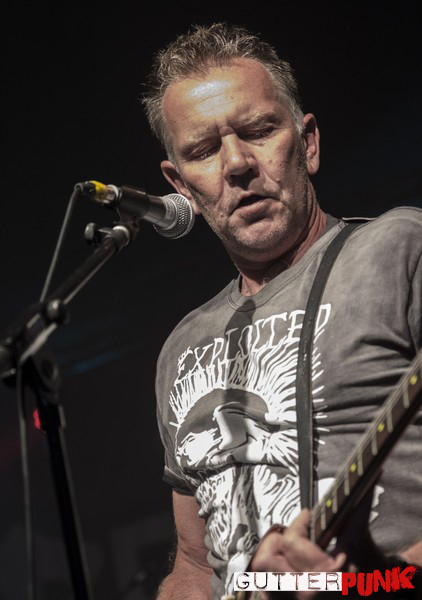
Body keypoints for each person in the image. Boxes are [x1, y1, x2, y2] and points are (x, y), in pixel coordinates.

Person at [142, 23, 422, 599]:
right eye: (203, 150)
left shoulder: (398, 250)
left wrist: (378, 579)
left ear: (308, 143)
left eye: (258, 131)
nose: (237, 163)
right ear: (181, 185)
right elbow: (193, 564)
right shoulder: (181, 347)